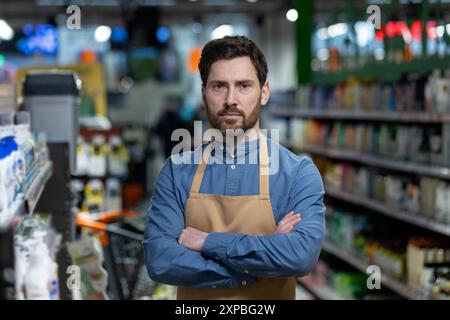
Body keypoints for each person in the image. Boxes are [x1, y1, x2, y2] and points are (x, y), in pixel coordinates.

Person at [143, 36, 325, 300]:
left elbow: (300, 256)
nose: (231, 99)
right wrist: (256, 266)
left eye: (244, 86)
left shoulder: (298, 173)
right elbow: (160, 260)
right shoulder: (176, 171)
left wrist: (207, 243)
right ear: (204, 94)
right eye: (219, 86)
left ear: (264, 93)